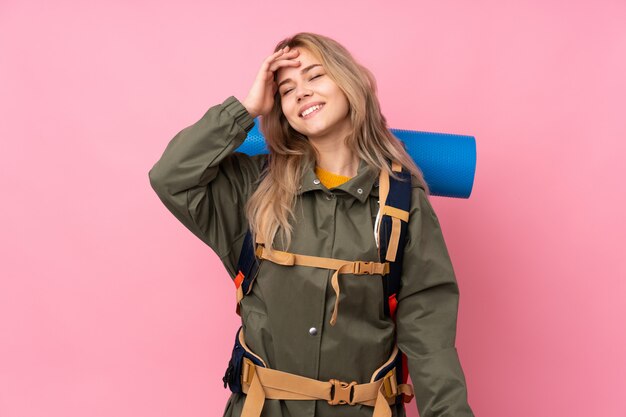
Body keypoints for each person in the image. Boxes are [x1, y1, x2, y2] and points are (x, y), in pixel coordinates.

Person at [149, 32, 475, 417]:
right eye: (287, 89)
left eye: (315, 75)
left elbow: (430, 337)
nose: (302, 92)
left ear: (349, 82)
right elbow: (170, 176)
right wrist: (247, 108)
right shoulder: (251, 187)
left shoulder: (402, 203)